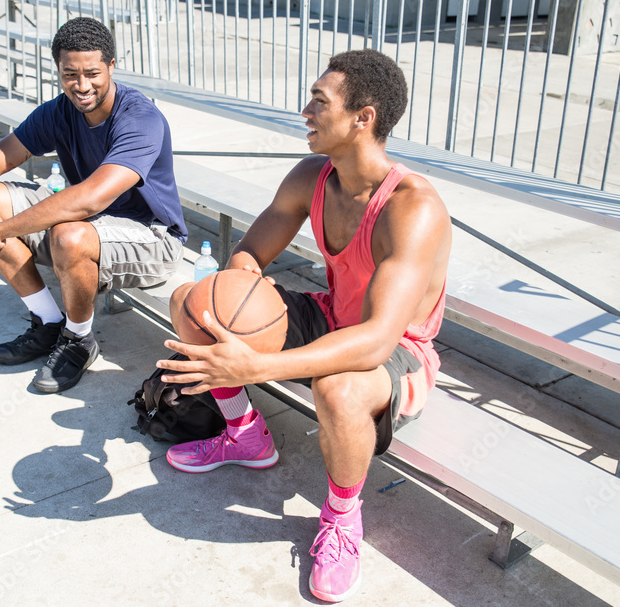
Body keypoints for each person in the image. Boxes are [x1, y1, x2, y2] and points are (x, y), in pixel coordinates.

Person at [156, 49, 451, 602]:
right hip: (332, 313)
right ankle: (245, 436)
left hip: (397, 352)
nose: (305, 111)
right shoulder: (313, 176)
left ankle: (341, 519)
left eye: (320, 102)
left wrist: (258, 364)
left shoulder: (413, 208)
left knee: (336, 387)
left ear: (363, 118)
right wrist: (239, 293)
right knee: (193, 301)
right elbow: (247, 257)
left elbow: (377, 340)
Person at [0, 17, 187, 393]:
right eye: (70, 74)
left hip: (153, 237)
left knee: (68, 235)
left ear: (112, 66)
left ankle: (79, 339)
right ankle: (49, 322)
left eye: (93, 73)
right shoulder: (59, 111)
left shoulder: (139, 118)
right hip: (92, 222)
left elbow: (92, 197)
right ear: (58, 70)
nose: (82, 86)